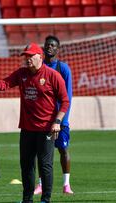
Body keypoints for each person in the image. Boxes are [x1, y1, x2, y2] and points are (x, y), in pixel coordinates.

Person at [0, 42, 69, 203]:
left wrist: (57, 121)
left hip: (46, 129)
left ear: (39, 57)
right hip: (27, 129)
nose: (27, 59)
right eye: (26, 56)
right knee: (26, 165)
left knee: (45, 165)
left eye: (30, 56)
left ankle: (45, 199)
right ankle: (27, 199)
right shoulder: (22, 73)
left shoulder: (52, 75)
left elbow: (65, 101)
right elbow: (6, 83)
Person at [34, 35, 74, 195]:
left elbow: (68, 96)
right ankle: (41, 184)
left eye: (53, 45)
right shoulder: (39, 68)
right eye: (47, 45)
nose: (49, 47)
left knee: (63, 150)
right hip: (43, 120)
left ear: (58, 49)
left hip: (59, 120)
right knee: (42, 153)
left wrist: (62, 119)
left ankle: (66, 185)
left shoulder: (63, 69)